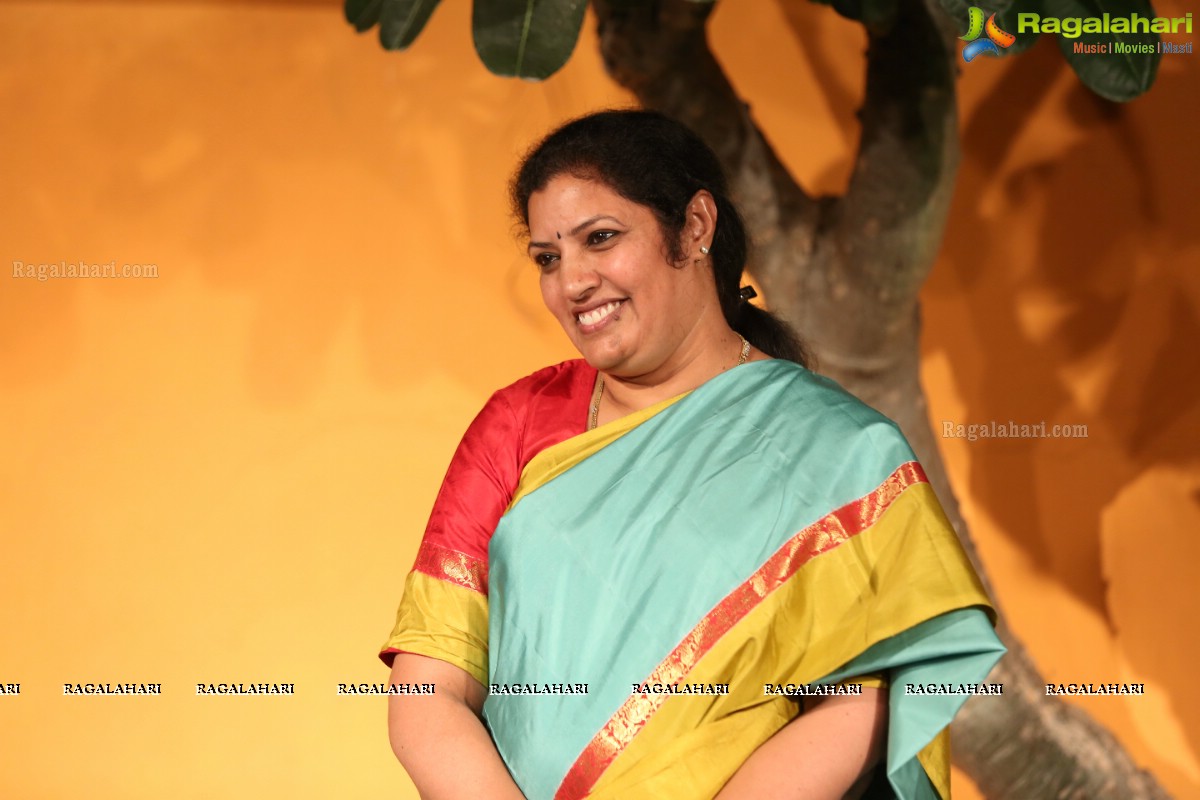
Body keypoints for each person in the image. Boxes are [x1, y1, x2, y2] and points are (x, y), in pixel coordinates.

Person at [379, 109, 1004, 800]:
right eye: (549, 258)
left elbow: (873, 697)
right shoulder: (518, 424)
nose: (573, 282)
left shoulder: (837, 452)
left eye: (602, 238)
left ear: (696, 227)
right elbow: (428, 689)